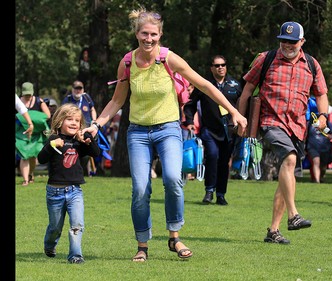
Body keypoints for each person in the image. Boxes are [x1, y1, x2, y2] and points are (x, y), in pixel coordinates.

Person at [82, 7, 247, 262]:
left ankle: (174, 237)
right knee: (140, 188)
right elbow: (117, 101)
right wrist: (96, 124)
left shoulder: (168, 59)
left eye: (154, 35)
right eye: (145, 34)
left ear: (160, 35)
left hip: (168, 129)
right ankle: (142, 245)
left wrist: (234, 111)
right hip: (137, 132)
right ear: (137, 34)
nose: (149, 39)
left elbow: (203, 84)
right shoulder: (127, 62)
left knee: (172, 179)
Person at [238, 21, 329, 244]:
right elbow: (247, 91)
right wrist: (239, 118)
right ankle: (293, 215)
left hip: (297, 126)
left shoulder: (311, 64)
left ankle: (273, 231)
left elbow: (321, 94)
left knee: (285, 176)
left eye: (292, 42)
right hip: (271, 121)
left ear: (302, 42)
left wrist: (324, 115)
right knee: (289, 159)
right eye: (283, 41)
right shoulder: (265, 59)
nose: (287, 45)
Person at [37, 103, 100, 264]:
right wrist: (52, 145)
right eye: (69, 119)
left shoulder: (79, 142)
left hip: (75, 192)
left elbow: (95, 153)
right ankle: (50, 245)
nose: (73, 123)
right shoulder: (53, 139)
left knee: (77, 225)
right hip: (54, 192)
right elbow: (41, 159)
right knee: (55, 227)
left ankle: (75, 255)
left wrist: (88, 139)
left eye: (77, 120)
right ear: (59, 122)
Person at [184, 55, 243, 205]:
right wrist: (190, 121)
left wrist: (244, 124)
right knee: (212, 155)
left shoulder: (234, 85)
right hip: (209, 130)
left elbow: (243, 106)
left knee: (224, 162)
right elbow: (190, 105)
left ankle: (221, 194)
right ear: (211, 68)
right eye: (217, 65)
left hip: (229, 131)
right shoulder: (204, 85)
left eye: (223, 65)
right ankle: (209, 190)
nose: (220, 67)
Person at [17, 82, 51, 186]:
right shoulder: (17, 101)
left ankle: (30, 173)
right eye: (25, 94)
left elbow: (48, 115)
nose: (27, 96)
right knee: (24, 156)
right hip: (22, 133)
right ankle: (25, 179)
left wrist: (32, 117)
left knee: (33, 157)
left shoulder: (38, 101)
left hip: (36, 133)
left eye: (29, 94)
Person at [62, 80, 97, 176]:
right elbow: (62, 113)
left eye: (80, 88)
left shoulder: (86, 97)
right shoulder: (68, 99)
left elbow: (92, 109)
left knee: (88, 149)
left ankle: (88, 171)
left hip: (86, 128)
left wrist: (94, 121)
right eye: (76, 88)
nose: (78, 91)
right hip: (72, 129)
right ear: (72, 89)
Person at [306, 112, 332, 183]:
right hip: (312, 147)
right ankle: (317, 181)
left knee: (323, 167)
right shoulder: (309, 124)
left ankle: (321, 177)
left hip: (325, 147)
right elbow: (305, 135)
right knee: (316, 162)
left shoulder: (327, 124)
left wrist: (331, 136)